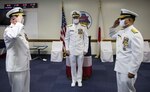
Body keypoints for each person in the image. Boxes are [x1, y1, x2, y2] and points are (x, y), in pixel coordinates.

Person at [109, 9, 144, 92]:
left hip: (128, 68)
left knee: (128, 89)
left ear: (129, 20)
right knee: (121, 88)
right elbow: (111, 35)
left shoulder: (135, 34)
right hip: (120, 66)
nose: (120, 20)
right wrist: (114, 26)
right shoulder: (122, 31)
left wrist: (132, 71)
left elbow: (138, 54)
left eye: (122, 19)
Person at [3, 7, 31, 92]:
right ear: (13, 18)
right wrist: (18, 22)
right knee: (17, 90)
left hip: (24, 65)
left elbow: (25, 46)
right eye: (21, 17)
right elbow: (14, 35)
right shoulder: (8, 30)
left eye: (22, 17)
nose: (23, 19)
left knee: (25, 89)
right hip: (16, 68)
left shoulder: (21, 30)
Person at [65, 10, 89, 87]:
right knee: (73, 66)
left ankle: (79, 80)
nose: (75, 18)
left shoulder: (83, 27)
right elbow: (66, 39)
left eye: (77, 17)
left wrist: (85, 49)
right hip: (71, 50)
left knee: (80, 66)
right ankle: (73, 80)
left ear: (79, 17)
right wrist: (67, 48)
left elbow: (86, 38)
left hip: (80, 50)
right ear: (72, 18)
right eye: (74, 17)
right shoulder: (69, 27)